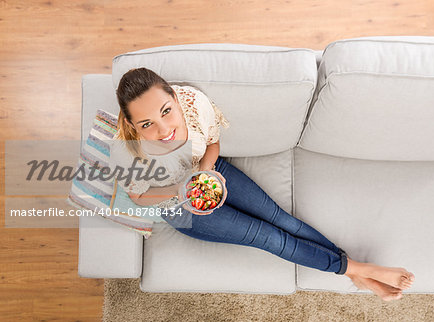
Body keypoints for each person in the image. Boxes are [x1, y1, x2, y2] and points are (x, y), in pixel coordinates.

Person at [111, 67, 415, 302]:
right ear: (131, 124)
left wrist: (205, 173)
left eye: (166, 111)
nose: (165, 129)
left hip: (207, 173)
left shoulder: (193, 103)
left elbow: (213, 143)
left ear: (175, 98)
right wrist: (182, 191)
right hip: (178, 205)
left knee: (280, 219)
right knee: (268, 238)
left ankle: (354, 271)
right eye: (146, 124)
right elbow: (138, 196)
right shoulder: (127, 149)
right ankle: (359, 270)